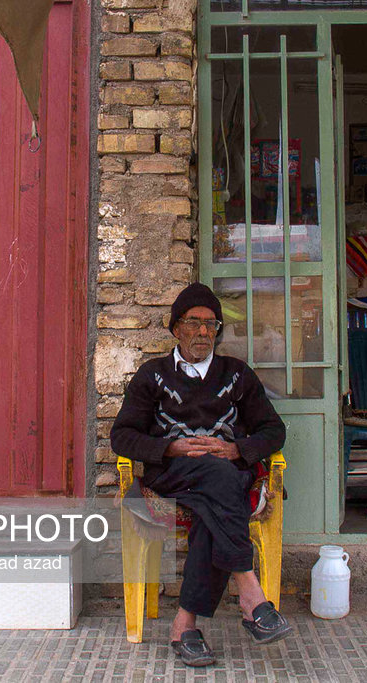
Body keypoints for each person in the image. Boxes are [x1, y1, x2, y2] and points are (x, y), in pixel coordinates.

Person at [110, 282, 291, 667]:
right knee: (223, 482)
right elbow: (122, 436)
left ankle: (185, 624)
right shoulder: (152, 375)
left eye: (212, 325)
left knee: (215, 500)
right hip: (173, 473)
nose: (204, 332)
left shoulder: (237, 375)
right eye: (194, 323)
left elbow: (274, 430)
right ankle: (250, 593)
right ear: (176, 328)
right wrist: (170, 447)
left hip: (222, 476)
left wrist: (235, 449)